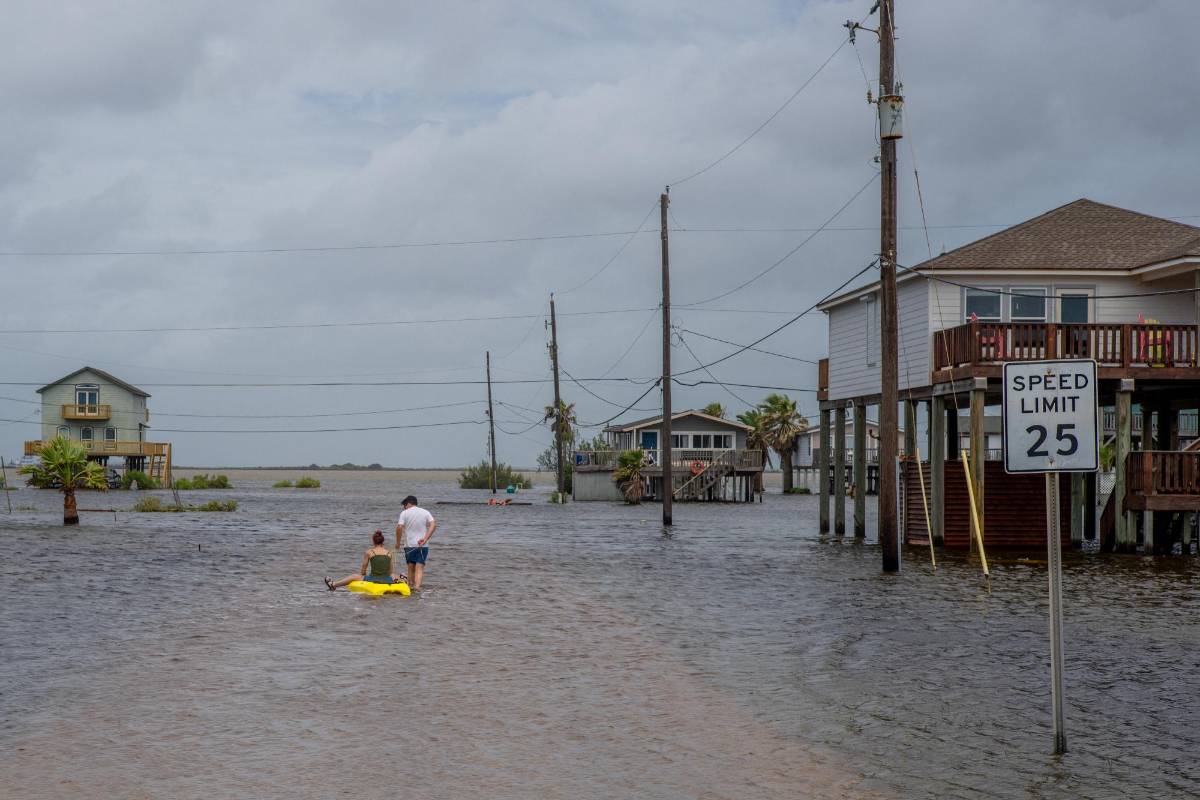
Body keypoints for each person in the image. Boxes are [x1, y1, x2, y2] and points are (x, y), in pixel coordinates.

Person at [324, 530, 403, 590]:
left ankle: (333, 584)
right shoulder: (389, 553)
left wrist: (364, 575)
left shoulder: (369, 552)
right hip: (387, 579)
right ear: (383, 542)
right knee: (398, 575)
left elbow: (363, 571)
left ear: (373, 541)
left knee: (354, 576)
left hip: (373, 579)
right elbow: (390, 572)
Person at [395, 495, 436, 590]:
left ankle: (410, 587)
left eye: (404, 505)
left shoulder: (404, 513)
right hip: (422, 545)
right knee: (419, 568)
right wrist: (425, 538)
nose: (404, 507)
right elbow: (433, 525)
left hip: (409, 545)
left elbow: (399, 527)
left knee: (410, 567)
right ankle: (417, 588)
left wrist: (397, 542)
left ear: (408, 503)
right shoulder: (425, 512)